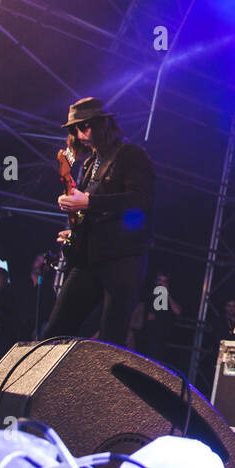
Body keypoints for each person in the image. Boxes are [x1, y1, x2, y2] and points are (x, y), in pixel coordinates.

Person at [44, 97, 155, 346]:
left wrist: (89, 203)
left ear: (102, 125)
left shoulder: (131, 155)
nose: (80, 134)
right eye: (76, 129)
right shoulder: (90, 163)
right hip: (89, 258)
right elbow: (88, 210)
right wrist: (74, 232)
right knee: (54, 332)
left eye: (85, 127)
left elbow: (141, 200)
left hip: (122, 258)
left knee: (110, 338)